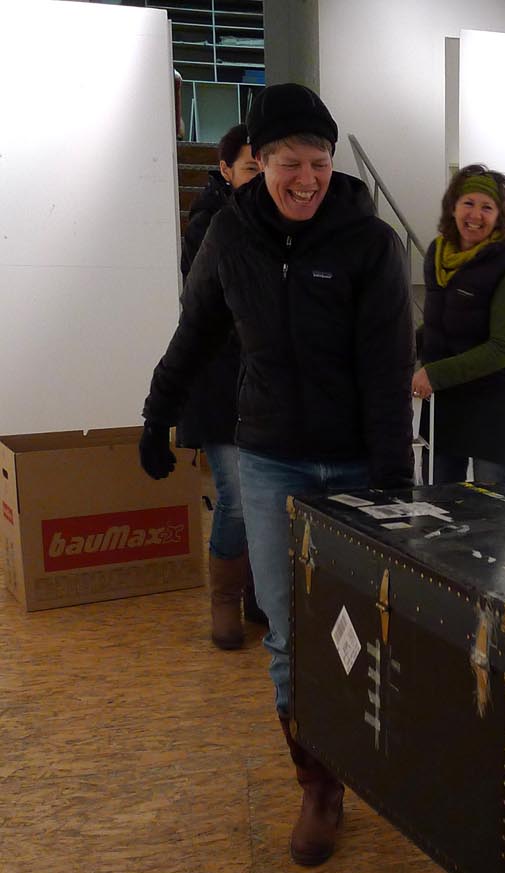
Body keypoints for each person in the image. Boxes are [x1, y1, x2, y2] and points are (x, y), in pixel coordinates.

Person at [138, 83, 414, 867]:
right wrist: (158, 413)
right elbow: (197, 329)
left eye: (319, 161)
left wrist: (393, 486)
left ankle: (372, 754)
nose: (307, 178)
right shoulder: (231, 235)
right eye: (290, 162)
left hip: (357, 461)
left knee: (361, 625)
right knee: (290, 632)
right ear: (258, 162)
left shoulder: (369, 243)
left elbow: (389, 372)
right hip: (268, 460)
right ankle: (318, 784)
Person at [176, 123, 263, 650]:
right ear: (226, 170)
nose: (260, 178)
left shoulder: (278, 223)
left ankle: (256, 593)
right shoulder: (209, 225)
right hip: (216, 385)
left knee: (265, 496)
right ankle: (225, 600)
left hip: (263, 387)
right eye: (251, 168)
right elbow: (210, 311)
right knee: (235, 498)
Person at [412, 164, 505, 487]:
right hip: (447, 400)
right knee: (440, 500)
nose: (475, 215)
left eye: (487, 207)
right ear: (453, 206)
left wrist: (434, 373)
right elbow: (438, 325)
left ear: (500, 216)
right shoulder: (438, 254)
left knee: (491, 505)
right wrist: (402, 350)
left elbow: (501, 349)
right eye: (468, 203)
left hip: (499, 402)